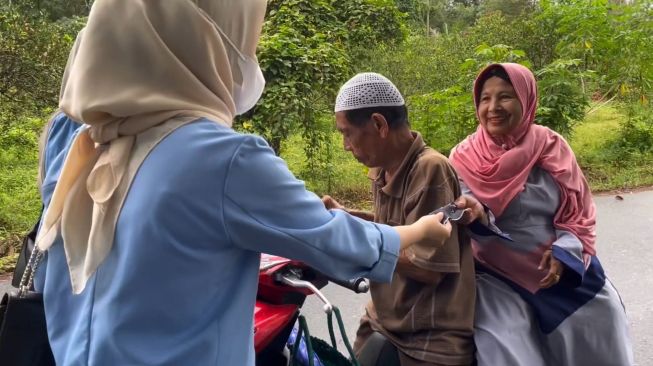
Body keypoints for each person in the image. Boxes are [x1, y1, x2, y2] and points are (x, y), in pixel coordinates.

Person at [31, 2, 453, 365]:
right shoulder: (219, 156)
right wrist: (420, 231)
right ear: (205, 38)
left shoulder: (73, 139)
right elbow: (332, 239)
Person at [449, 63, 634, 366]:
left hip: (559, 264)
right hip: (497, 272)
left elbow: (580, 210)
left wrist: (566, 251)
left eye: (505, 97)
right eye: (485, 98)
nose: (493, 107)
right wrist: (477, 213)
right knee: (504, 344)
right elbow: (466, 204)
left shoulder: (550, 145)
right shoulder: (463, 156)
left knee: (605, 317)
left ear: (526, 99)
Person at [323, 73, 475, 366]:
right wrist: (346, 217)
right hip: (384, 320)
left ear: (379, 125)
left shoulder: (431, 169)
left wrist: (353, 237)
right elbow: (395, 227)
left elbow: (428, 268)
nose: (345, 145)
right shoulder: (382, 170)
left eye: (347, 133)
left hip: (428, 336)